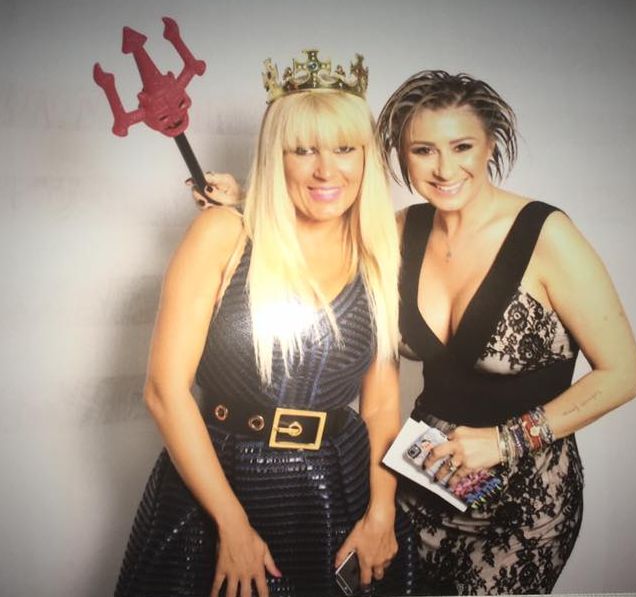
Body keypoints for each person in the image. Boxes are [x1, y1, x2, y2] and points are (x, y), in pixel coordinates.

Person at [115, 50, 418, 597]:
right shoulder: (223, 235)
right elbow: (165, 392)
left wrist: (381, 511)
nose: (326, 170)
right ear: (275, 156)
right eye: (303, 150)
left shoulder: (378, 256)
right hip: (221, 486)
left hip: (339, 491)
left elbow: (379, 408)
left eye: (344, 149)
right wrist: (231, 525)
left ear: (366, 157)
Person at [375, 70, 636, 595]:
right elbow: (315, 244)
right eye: (424, 150)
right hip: (420, 486)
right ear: (402, 155)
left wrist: (504, 441)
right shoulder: (403, 230)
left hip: (524, 506)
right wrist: (235, 209)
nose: (444, 168)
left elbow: (624, 374)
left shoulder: (547, 236)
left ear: (490, 145)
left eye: (462, 146)